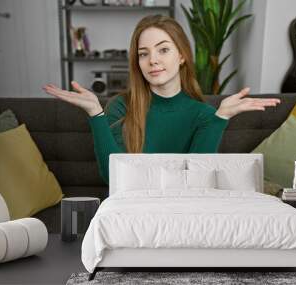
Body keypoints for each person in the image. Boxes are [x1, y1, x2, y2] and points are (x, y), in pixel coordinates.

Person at [42, 15, 281, 185]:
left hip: (180, 215)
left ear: (182, 56)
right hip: (131, 213)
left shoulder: (203, 115)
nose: (152, 60)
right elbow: (112, 179)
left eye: (163, 50)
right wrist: (96, 113)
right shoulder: (120, 106)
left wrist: (221, 118)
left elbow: (196, 181)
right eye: (143, 54)